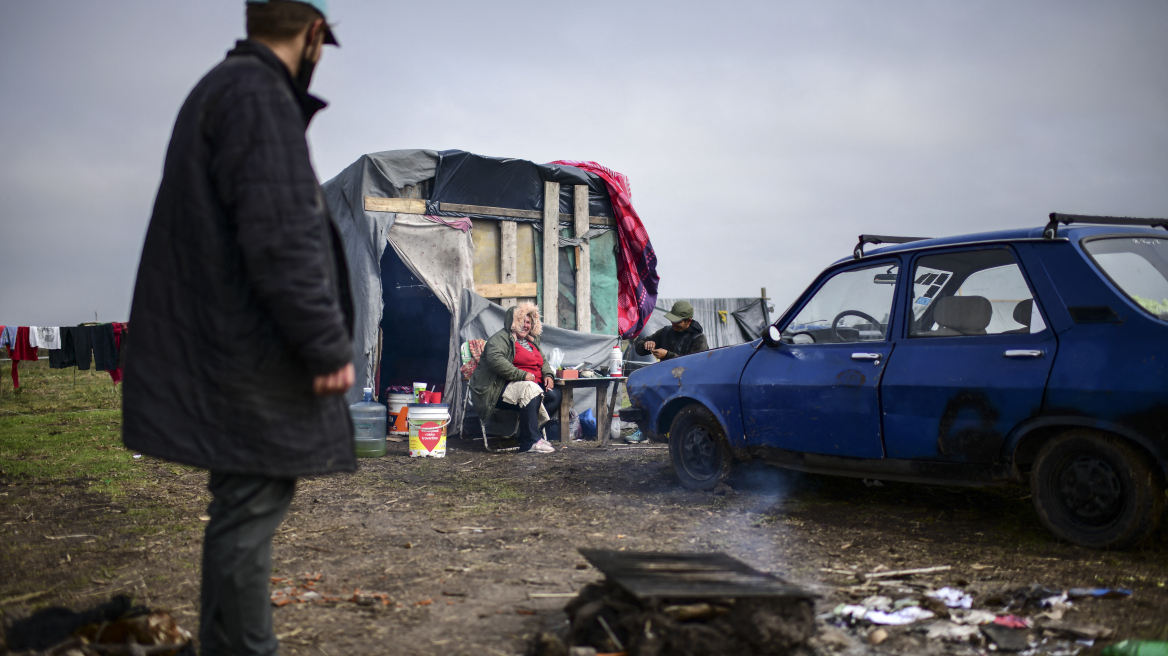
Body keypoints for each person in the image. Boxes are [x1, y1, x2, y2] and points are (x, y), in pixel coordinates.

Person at [122, 2, 351, 654]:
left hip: (229, 348)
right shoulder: (258, 98)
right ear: (313, 34)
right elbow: (280, 235)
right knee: (250, 510)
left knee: (240, 508)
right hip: (251, 357)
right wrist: (323, 341)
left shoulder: (221, 88)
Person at [469, 302, 561, 453]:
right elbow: (496, 361)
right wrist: (522, 375)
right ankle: (531, 442)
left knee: (555, 395)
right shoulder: (500, 339)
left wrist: (548, 374)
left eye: (528, 322)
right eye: (522, 321)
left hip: (528, 384)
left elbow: (542, 360)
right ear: (513, 321)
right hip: (498, 388)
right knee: (531, 390)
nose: (525, 326)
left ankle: (528, 435)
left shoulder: (530, 340)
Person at [634, 300, 709, 361]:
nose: (674, 323)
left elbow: (695, 363)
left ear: (689, 321)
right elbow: (639, 350)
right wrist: (646, 345)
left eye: (678, 321)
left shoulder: (699, 339)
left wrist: (667, 355)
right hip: (665, 377)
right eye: (672, 320)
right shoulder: (665, 332)